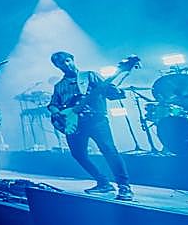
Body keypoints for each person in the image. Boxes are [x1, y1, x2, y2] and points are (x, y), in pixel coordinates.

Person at [47, 51, 133, 200]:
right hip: (73, 123)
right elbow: (53, 104)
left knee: (109, 150)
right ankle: (103, 182)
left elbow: (108, 93)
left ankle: (124, 186)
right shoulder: (59, 86)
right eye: (61, 63)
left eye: (68, 60)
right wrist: (56, 113)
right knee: (78, 154)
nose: (66, 64)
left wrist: (115, 90)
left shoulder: (89, 76)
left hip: (96, 120)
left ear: (72, 59)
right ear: (57, 66)